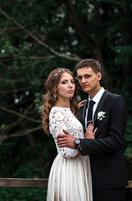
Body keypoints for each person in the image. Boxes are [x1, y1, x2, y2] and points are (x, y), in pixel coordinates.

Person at [57, 59, 128, 201]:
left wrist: (78, 142)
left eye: (87, 76)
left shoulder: (115, 101)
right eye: (80, 78)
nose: (83, 81)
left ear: (99, 76)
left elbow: (116, 142)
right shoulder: (82, 108)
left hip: (109, 180)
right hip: (84, 180)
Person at [42, 68, 97, 201]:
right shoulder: (56, 113)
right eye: (64, 82)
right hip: (69, 169)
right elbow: (66, 152)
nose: (70, 85)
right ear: (55, 88)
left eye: (72, 81)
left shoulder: (68, 111)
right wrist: (86, 142)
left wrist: (76, 110)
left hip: (80, 167)